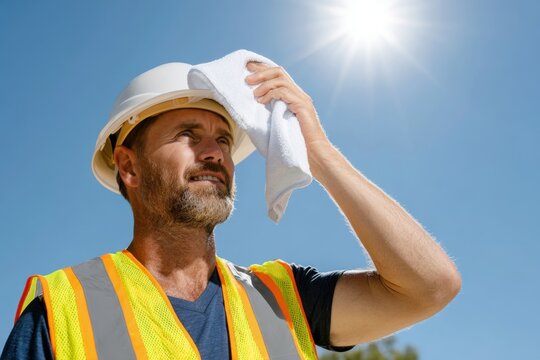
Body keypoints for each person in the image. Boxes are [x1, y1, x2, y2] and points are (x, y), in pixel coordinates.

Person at [2, 61, 461, 359]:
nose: (215, 153)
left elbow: (430, 287)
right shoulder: (61, 307)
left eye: (223, 139)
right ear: (129, 167)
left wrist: (319, 154)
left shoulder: (285, 298)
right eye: (187, 134)